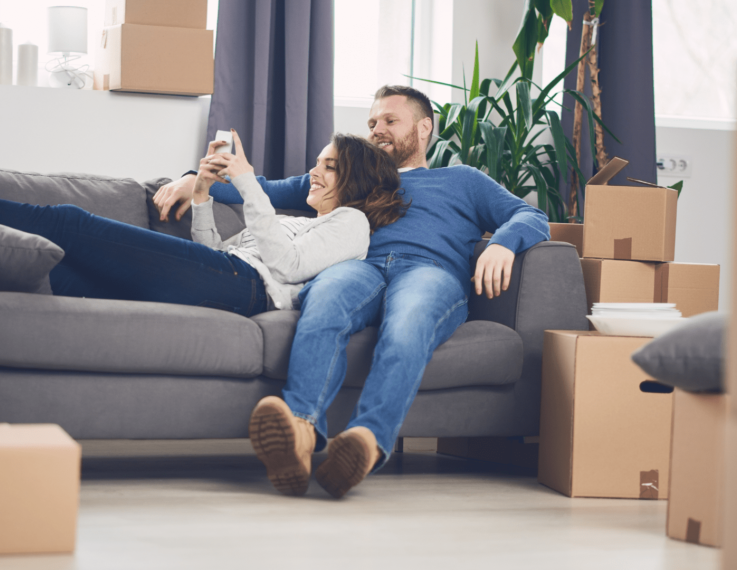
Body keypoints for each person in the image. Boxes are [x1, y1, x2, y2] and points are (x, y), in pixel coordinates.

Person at [156, 85, 551, 498]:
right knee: (324, 305)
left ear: (423, 129)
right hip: (357, 267)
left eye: (389, 121)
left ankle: (365, 441)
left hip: (428, 272)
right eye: (372, 123)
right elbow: (264, 188)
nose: (377, 130)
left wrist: (504, 243)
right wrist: (191, 180)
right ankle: (300, 431)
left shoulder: (462, 181)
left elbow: (530, 213)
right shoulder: (351, 175)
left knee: (407, 324)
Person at [0, 114, 408, 316]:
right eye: (316, 164)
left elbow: (281, 263)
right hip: (224, 276)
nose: (315, 173)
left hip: (245, 291)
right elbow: (213, 256)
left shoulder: (350, 226)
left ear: (354, 180)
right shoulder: (303, 219)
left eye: (328, 168)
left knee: (71, 223)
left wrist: (244, 177)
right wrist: (205, 197)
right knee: (55, 270)